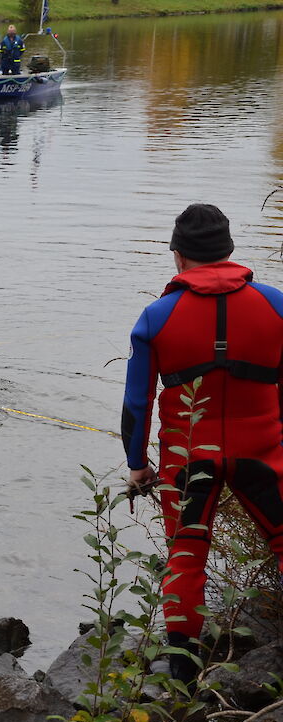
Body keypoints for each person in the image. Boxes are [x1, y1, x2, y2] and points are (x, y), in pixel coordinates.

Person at [122, 203, 283, 687]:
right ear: (230, 251)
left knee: (186, 553)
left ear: (178, 255)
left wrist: (136, 464)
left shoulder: (157, 316)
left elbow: (137, 402)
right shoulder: (276, 304)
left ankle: (182, 671)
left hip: (188, 456)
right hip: (264, 451)